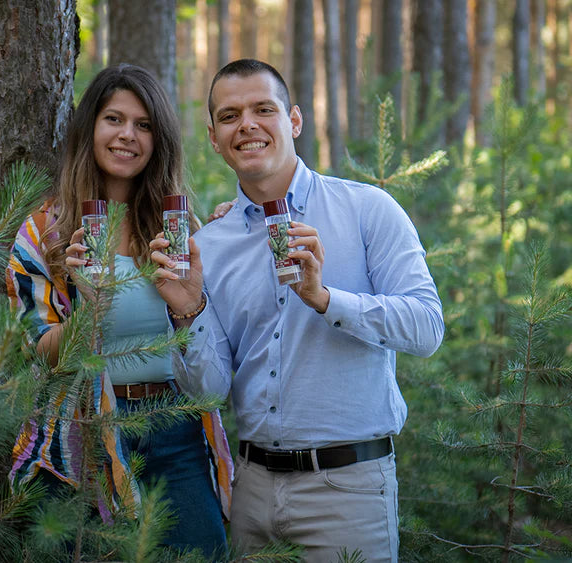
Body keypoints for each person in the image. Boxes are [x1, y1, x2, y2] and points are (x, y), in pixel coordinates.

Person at [150, 59, 444, 562]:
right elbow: (210, 391)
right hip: (253, 493)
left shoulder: (367, 210)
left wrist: (326, 300)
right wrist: (188, 313)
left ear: (295, 121)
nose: (247, 124)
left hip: (347, 492)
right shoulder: (208, 246)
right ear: (215, 138)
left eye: (264, 109)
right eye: (229, 116)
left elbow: (426, 327)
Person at [6, 64, 232, 560]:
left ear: (159, 140)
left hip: (173, 428)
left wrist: (194, 300)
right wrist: (86, 310)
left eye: (144, 125)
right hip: (81, 433)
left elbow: (208, 335)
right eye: (114, 119)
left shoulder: (178, 227)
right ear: (90, 128)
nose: (128, 135)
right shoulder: (46, 231)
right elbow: (36, 349)